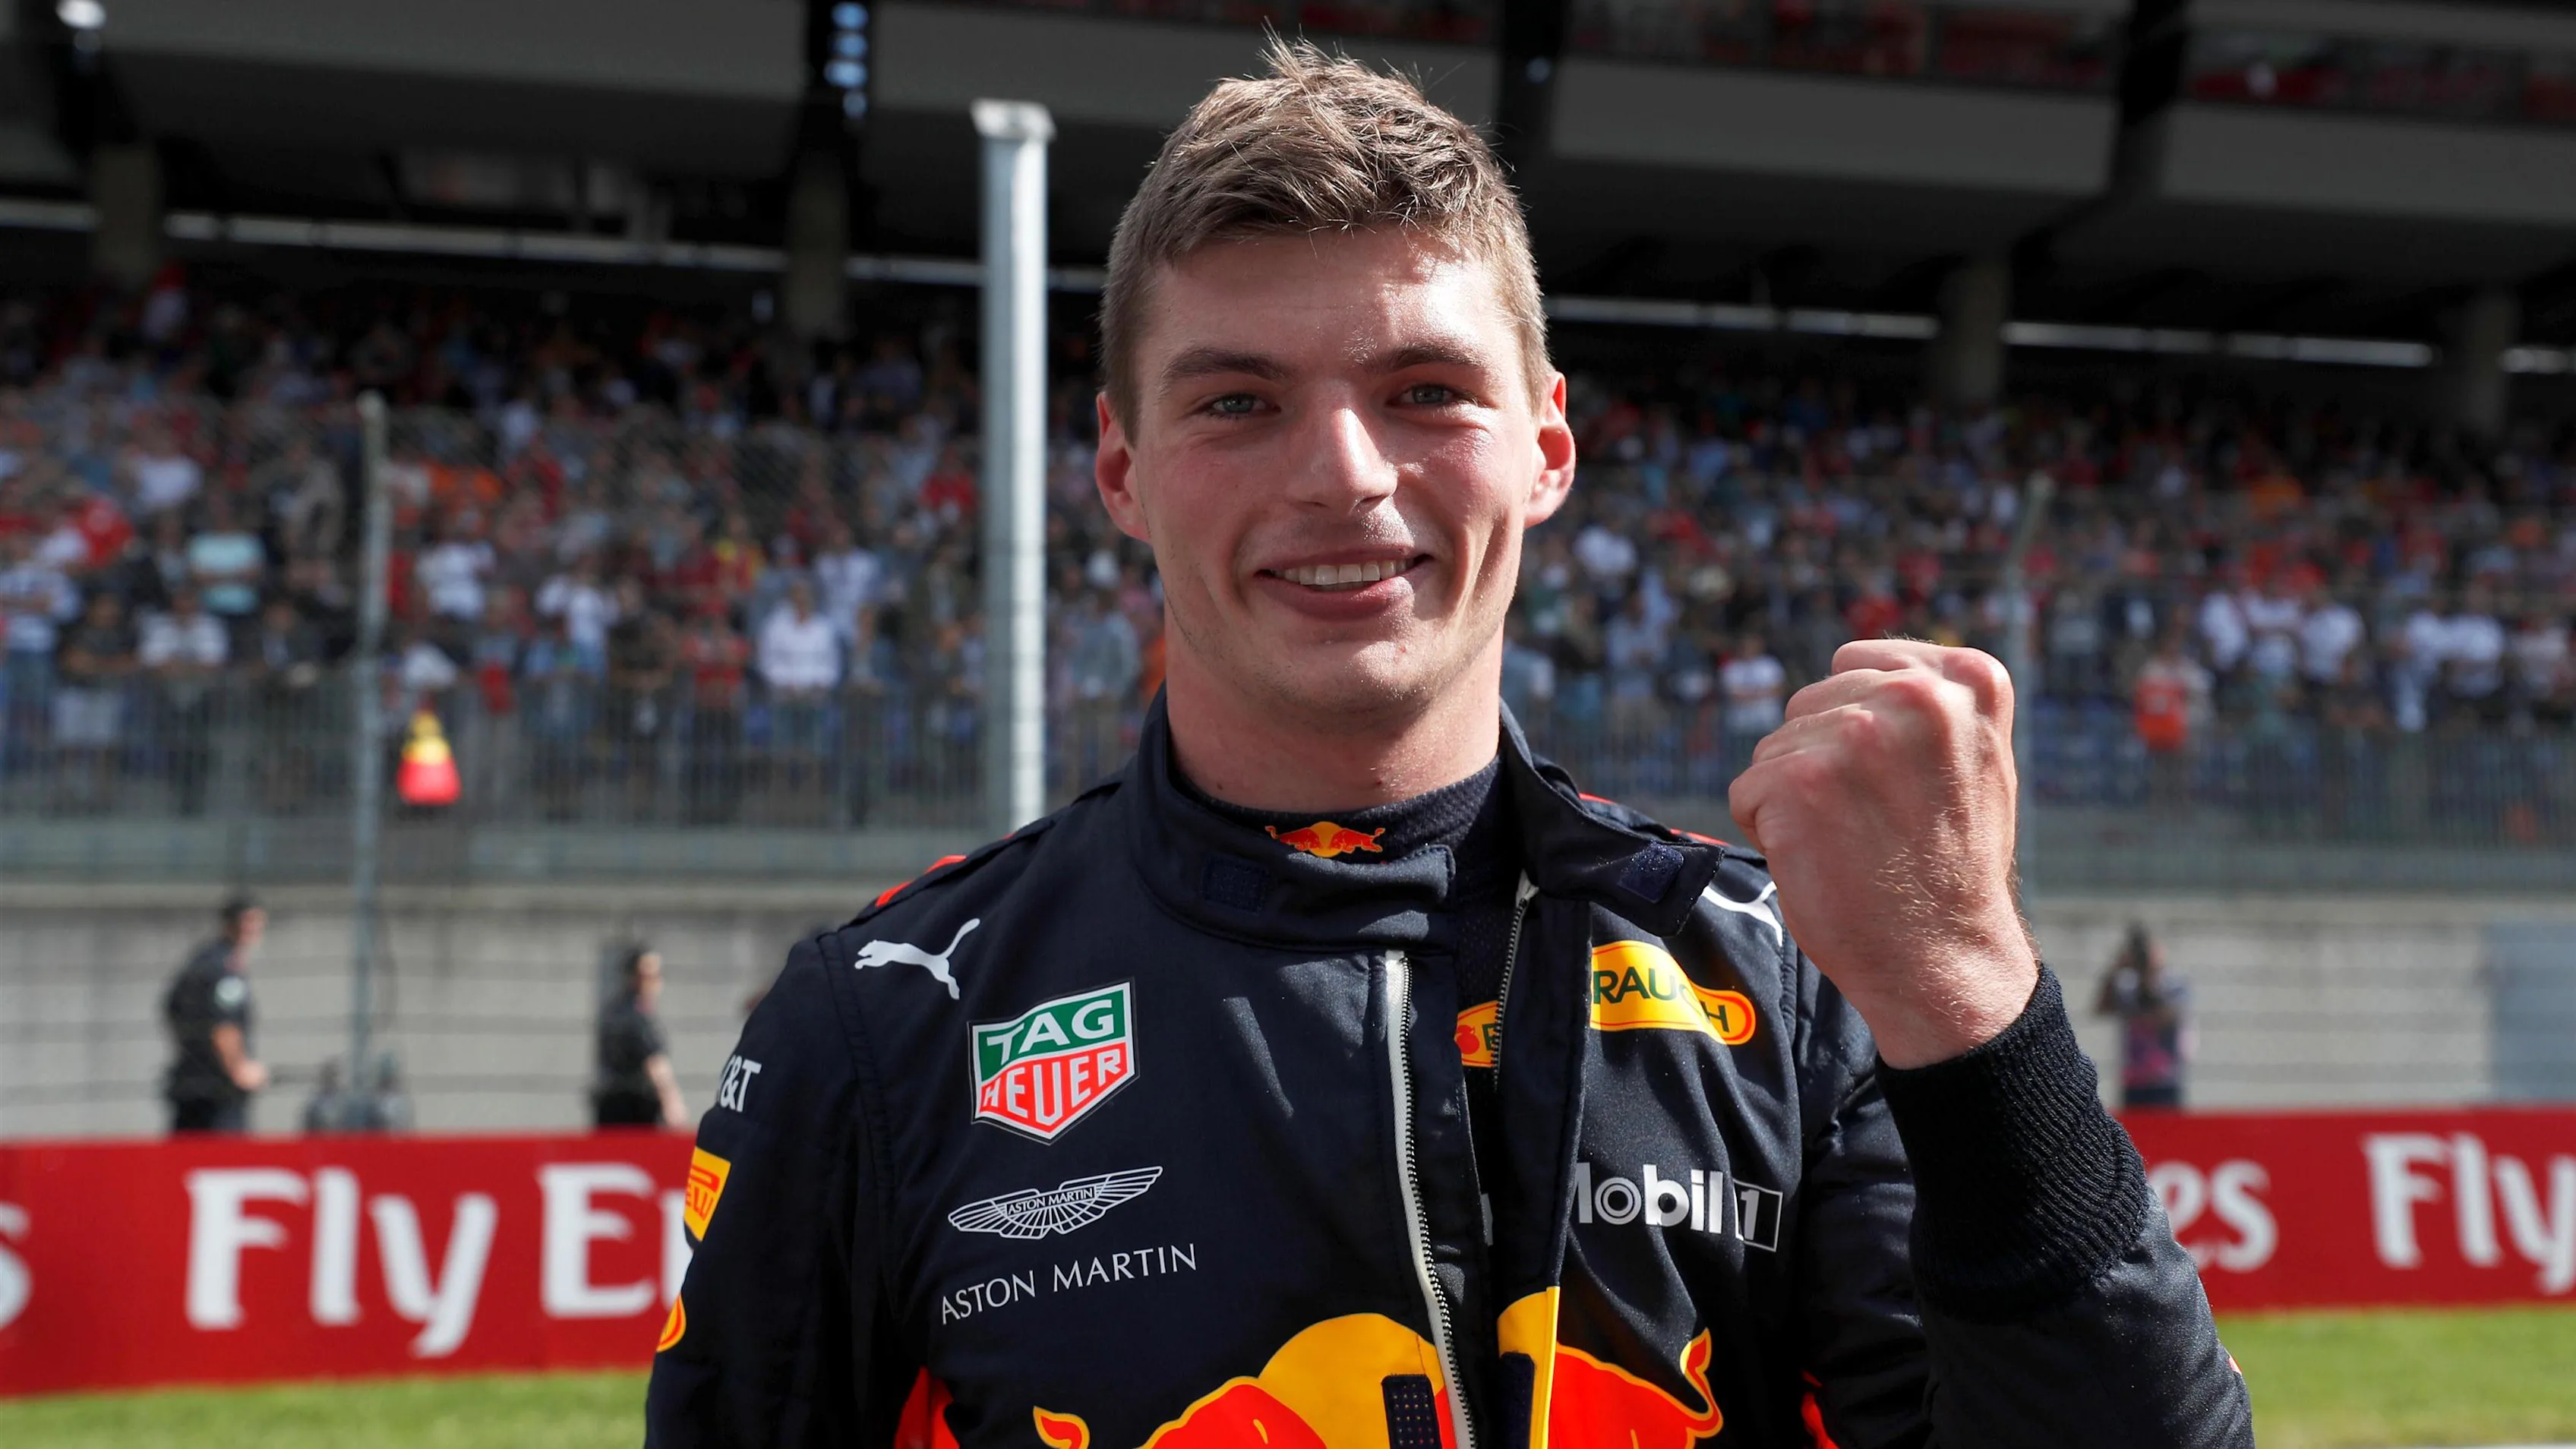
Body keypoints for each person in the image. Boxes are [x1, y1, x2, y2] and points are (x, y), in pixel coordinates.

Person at [647, 43, 2248, 1447]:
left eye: (1423, 389)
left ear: (1545, 447)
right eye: (1237, 403)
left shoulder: (1793, 987)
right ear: (1121, 472)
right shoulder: (882, 1024)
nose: (1342, 471)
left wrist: (1969, 997)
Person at [162, 895, 269, 1133]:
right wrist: (240, 1068)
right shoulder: (225, 970)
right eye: (248, 922)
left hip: (190, 1085)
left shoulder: (201, 960)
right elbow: (224, 1026)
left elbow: (173, 1010)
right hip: (218, 1095)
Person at [2095, 921, 2193, 1110]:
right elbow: (2101, 1007)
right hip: (2134, 1078)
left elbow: (2167, 1017)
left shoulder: (2174, 984)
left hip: (2165, 1078)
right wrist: (2116, 969)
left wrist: (2148, 979)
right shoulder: (2127, 985)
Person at [594, 943, 687, 1129]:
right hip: (633, 1109)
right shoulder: (635, 1017)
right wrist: (672, 1103)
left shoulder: (616, 1010)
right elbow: (656, 1064)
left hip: (616, 1107)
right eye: (648, 976)